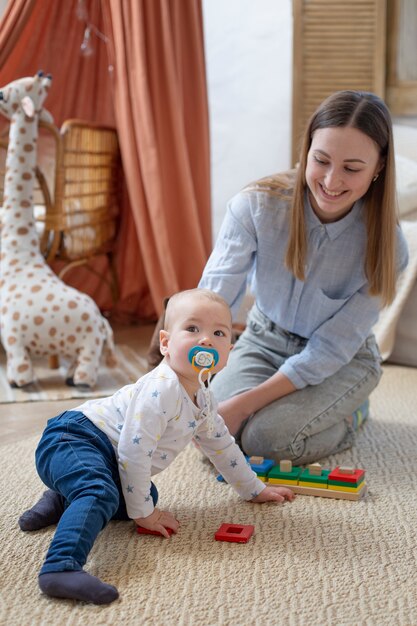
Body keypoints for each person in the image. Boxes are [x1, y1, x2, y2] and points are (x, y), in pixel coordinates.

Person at [18, 288, 295, 605]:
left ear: (228, 352)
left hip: (102, 455)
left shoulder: (203, 399)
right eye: (192, 329)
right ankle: (60, 567)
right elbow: (133, 455)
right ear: (165, 343)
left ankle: (61, 498)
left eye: (218, 332)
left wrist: (253, 490)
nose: (206, 340)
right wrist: (144, 516)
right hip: (73, 437)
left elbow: (222, 447)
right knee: (105, 494)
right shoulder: (160, 390)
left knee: (145, 496)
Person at [199, 90, 409, 466]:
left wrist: (245, 405)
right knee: (213, 427)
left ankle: (352, 414)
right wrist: (192, 371)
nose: (331, 181)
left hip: (343, 360)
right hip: (264, 338)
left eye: (352, 168)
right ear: (307, 150)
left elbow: (330, 348)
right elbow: (214, 300)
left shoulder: (387, 246)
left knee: (266, 440)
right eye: (321, 160)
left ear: (378, 167)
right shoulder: (256, 206)